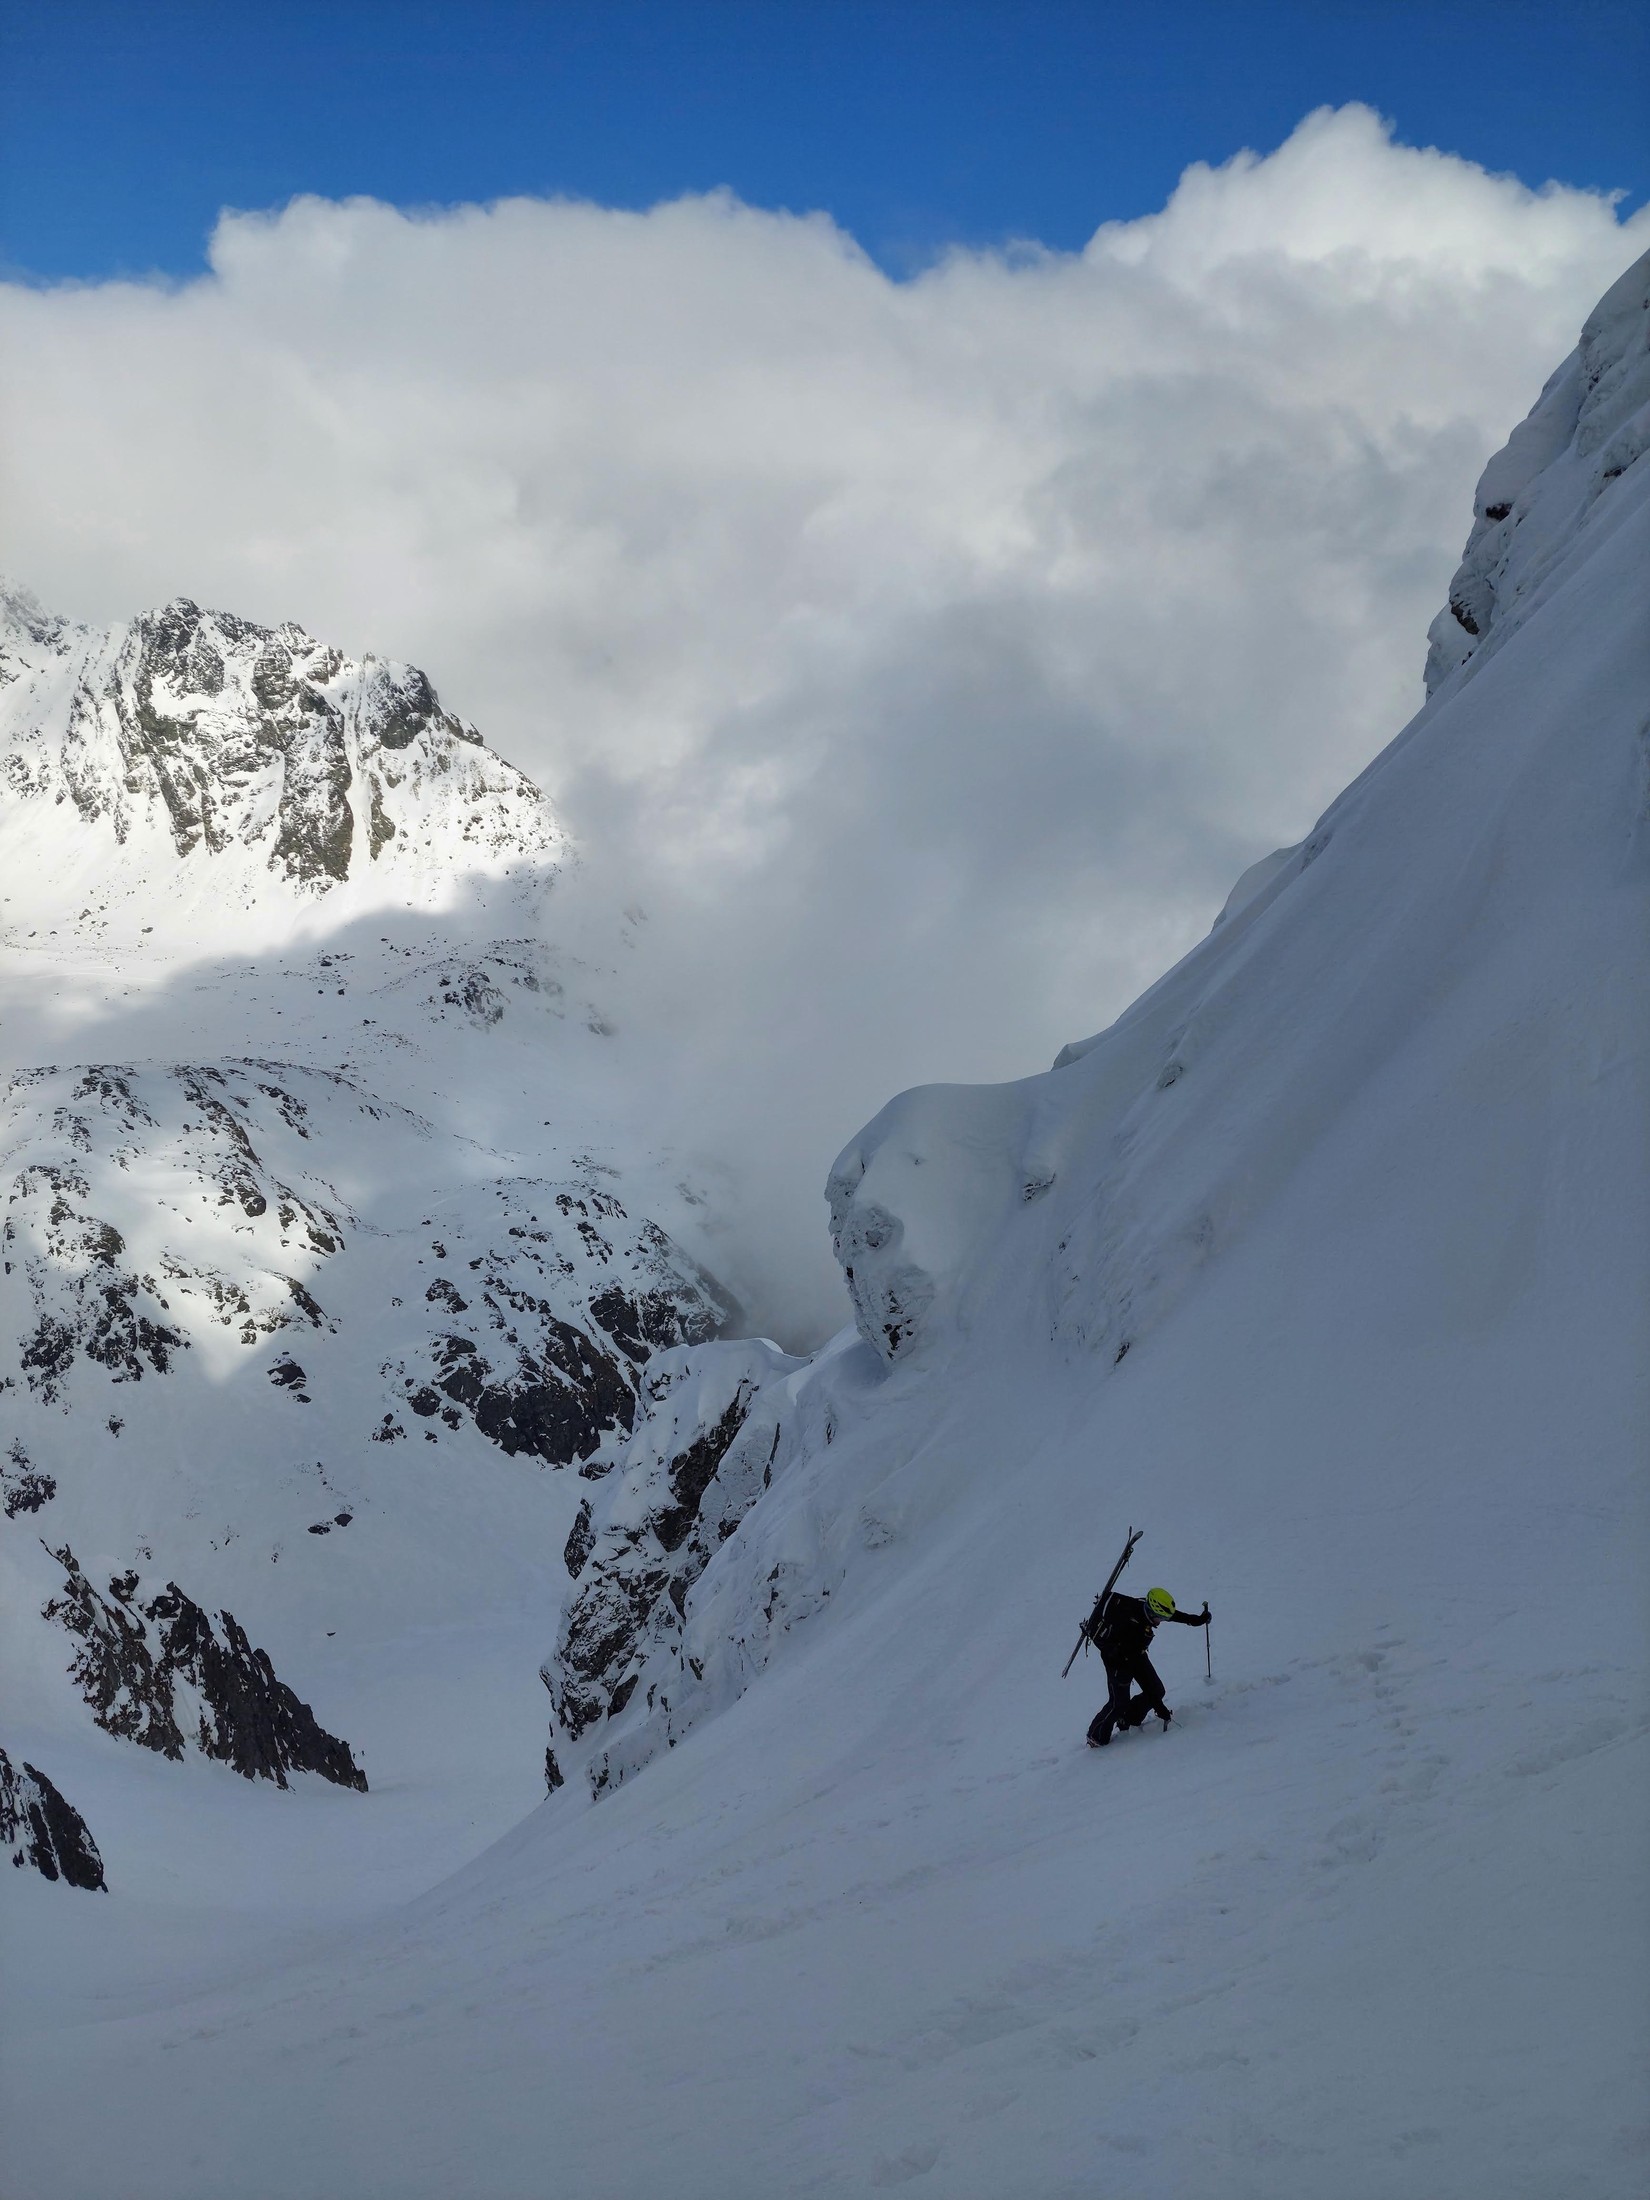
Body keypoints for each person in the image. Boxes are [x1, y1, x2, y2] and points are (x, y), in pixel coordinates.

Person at [1086, 1585, 1210, 1746]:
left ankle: (1128, 1718)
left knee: (1157, 1690)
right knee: (1118, 1702)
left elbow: (1169, 1614)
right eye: (1161, 1618)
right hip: (1117, 1658)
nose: (1163, 1622)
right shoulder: (1133, 1630)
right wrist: (1161, 1709)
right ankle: (1095, 1737)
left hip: (1134, 1653)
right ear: (1152, 1613)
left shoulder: (1144, 1606)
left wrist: (1194, 1620)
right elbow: (1140, 1675)